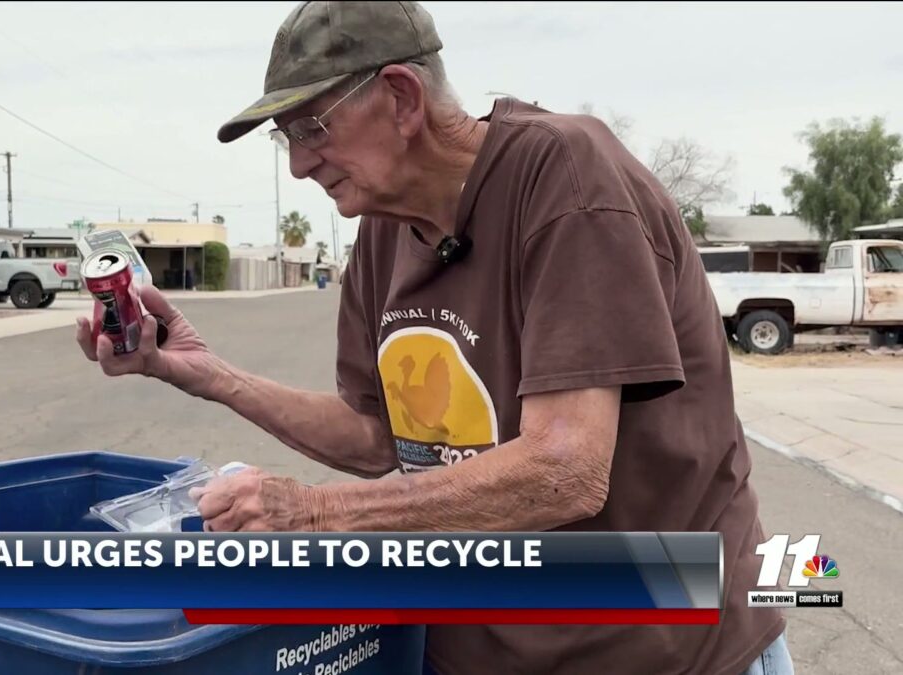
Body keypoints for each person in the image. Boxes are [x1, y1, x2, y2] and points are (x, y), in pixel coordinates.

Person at [76, 2, 793, 673]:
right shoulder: (382, 236)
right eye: (285, 137)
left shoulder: (566, 177)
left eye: (310, 128)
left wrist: (316, 512)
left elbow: (565, 468)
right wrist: (201, 370)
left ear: (401, 98)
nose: (297, 163)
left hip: (662, 649)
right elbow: (375, 437)